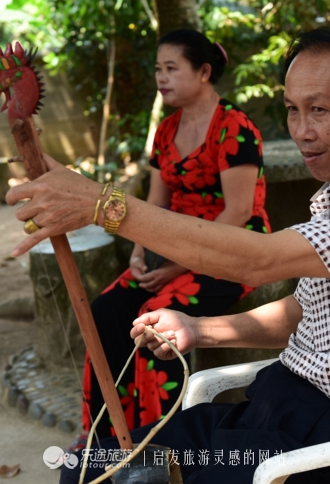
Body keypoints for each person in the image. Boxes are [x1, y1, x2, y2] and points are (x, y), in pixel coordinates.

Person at [7, 25, 330, 484]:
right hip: (274, 412)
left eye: (319, 110)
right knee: (90, 469)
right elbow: (302, 311)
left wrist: (102, 206)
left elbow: (257, 260)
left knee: (122, 480)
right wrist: (196, 329)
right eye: (292, 110)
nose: (302, 131)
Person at [77, 28, 271, 446]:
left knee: (156, 321)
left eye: (171, 68)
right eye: (157, 69)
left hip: (231, 250)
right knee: (106, 310)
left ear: (203, 71)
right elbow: (154, 203)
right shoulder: (164, 131)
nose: (161, 78)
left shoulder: (235, 127)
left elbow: (237, 214)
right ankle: (107, 437)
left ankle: (158, 442)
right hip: (171, 250)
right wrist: (139, 251)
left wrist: (174, 267)